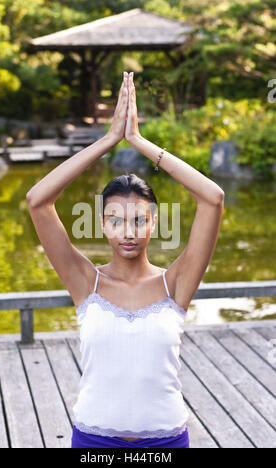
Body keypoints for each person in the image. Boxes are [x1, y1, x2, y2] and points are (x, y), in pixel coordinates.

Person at [26, 71, 225, 448]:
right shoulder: (86, 282)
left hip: (165, 443)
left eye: (138, 220)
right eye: (115, 221)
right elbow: (38, 200)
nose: (128, 232)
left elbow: (213, 198)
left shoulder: (175, 283)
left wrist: (140, 142)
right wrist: (107, 140)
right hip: (94, 443)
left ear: (154, 223)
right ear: (102, 225)